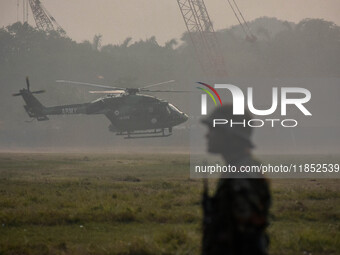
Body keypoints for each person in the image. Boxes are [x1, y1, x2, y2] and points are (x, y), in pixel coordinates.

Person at [201, 104, 271, 255]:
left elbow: (247, 241)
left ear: (229, 135)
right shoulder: (236, 170)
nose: (207, 136)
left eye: (213, 130)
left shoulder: (242, 178)